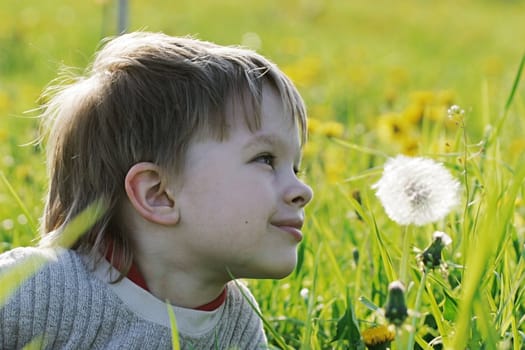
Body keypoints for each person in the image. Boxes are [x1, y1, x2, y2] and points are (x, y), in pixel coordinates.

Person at [0, 31, 313, 349]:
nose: (303, 190)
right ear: (158, 194)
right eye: (265, 159)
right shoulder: (42, 289)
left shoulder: (238, 326)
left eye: (296, 168)